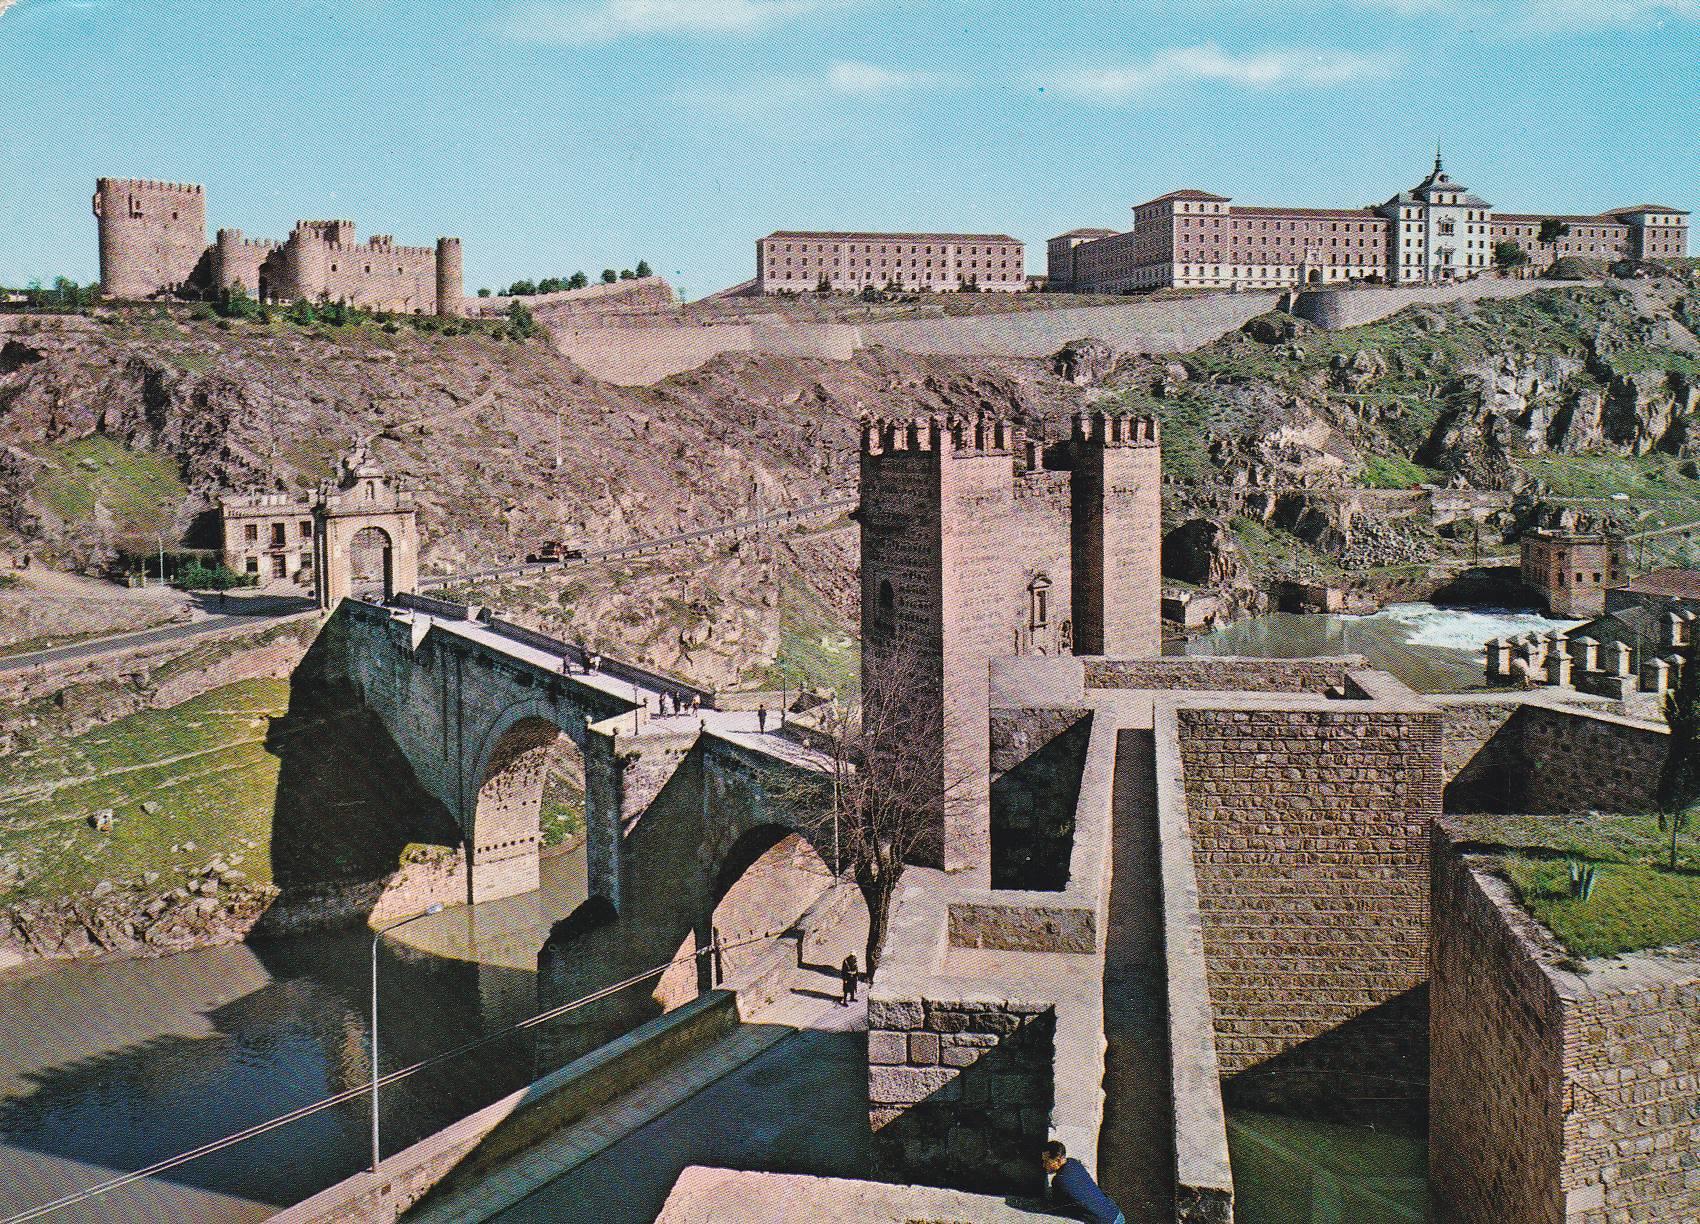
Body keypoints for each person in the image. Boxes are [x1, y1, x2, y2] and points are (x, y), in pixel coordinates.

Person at [1040, 1141, 1123, 1224]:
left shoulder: (1059, 1181)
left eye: (1046, 1161)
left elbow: (1059, 1210)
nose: (1044, 1165)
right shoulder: (1074, 1163)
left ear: (1058, 1161)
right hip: (1116, 1214)